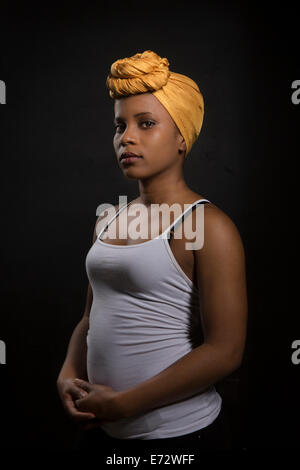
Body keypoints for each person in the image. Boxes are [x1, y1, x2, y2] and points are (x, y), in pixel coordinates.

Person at [57, 50, 248, 454]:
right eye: (120, 125)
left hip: (178, 437)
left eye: (146, 124)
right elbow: (90, 317)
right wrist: (68, 372)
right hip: (100, 433)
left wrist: (124, 404)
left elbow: (225, 351)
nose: (126, 137)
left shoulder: (208, 227)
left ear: (182, 136)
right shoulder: (108, 219)